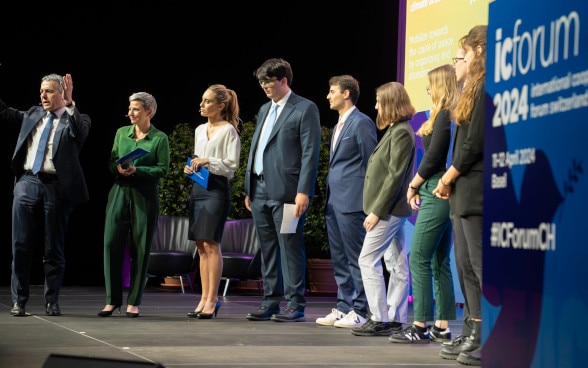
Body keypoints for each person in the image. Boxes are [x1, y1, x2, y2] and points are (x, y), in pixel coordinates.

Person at [4, 73, 91, 317]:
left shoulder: (78, 119)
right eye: (41, 91)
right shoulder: (32, 114)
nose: (43, 95)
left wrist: (72, 103)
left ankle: (51, 301)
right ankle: (18, 300)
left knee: (53, 248)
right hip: (27, 183)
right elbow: (4, 113)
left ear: (62, 94)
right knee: (20, 245)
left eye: (49, 91)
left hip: (56, 188)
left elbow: (79, 134)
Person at [244, 58, 321, 322]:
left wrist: (304, 191)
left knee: (290, 245)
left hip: (288, 192)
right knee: (267, 248)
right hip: (260, 190)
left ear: (284, 80)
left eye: (269, 81)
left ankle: (295, 304)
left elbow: (310, 153)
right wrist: (249, 187)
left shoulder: (304, 108)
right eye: (261, 82)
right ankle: (270, 301)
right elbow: (257, 147)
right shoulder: (265, 109)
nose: (264, 86)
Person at [389, 64, 458, 344]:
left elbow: (434, 158)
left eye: (430, 85)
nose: (428, 90)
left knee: (418, 257)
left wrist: (414, 184)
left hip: (438, 188)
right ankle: (441, 326)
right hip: (438, 186)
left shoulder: (445, 114)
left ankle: (419, 326)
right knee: (439, 260)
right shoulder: (447, 114)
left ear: (441, 85)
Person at [433, 25, 487, 366]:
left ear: (479, 52)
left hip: (476, 188)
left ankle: (486, 335)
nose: (459, 61)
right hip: (462, 191)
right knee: (465, 266)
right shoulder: (470, 91)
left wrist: (448, 175)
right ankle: (472, 330)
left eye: (463, 53)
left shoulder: (485, 88)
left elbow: (474, 143)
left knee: (480, 268)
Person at [351, 82, 416, 337]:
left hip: (388, 210)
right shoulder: (395, 129)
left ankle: (380, 318)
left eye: (379, 100)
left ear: (390, 102)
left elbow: (395, 177)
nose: (376, 105)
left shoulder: (401, 132)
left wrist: (377, 211)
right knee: (396, 263)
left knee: (367, 259)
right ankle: (396, 317)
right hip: (392, 209)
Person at [99, 92, 170, 318]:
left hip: (144, 195)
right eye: (130, 109)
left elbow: (163, 170)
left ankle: (133, 302)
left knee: (141, 248)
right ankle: (112, 300)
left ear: (148, 112)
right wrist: (118, 168)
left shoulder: (159, 138)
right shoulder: (122, 133)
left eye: (136, 109)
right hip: (119, 191)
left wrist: (139, 170)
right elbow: (111, 161)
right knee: (111, 244)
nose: (130, 113)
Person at [315, 75, 377, 328]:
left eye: (332, 91)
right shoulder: (340, 123)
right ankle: (344, 306)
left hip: (353, 202)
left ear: (347, 93)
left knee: (355, 257)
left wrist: (369, 202)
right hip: (334, 201)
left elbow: (371, 163)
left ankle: (361, 310)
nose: (328, 96)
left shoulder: (361, 123)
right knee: (339, 258)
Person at [184, 84, 241, 319]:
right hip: (199, 187)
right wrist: (192, 167)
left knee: (212, 244)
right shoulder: (199, 130)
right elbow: (198, 160)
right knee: (200, 245)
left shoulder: (229, 130)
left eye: (207, 101)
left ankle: (213, 299)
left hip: (217, 190)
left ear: (221, 105)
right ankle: (203, 297)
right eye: (202, 100)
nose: (202, 104)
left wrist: (208, 161)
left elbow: (231, 166)